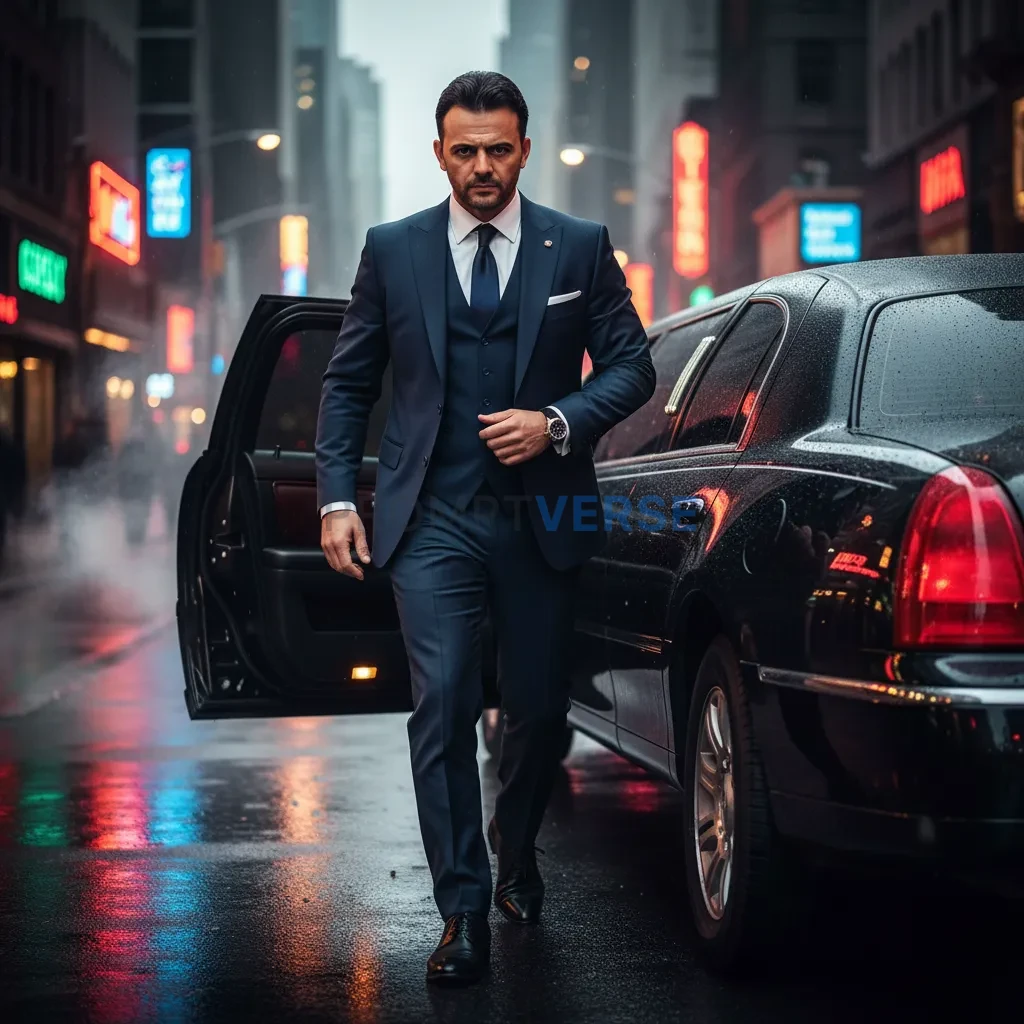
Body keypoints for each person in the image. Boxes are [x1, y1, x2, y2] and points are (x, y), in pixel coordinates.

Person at [316, 71, 655, 985]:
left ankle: (516, 840)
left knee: (539, 713)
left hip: (543, 514)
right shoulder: (393, 250)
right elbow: (347, 385)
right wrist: (337, 498)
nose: (481, 167)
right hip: (431, 519)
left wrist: (557, 422)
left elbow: (632, 368)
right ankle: (461, 911)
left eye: (498, 149)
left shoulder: (577, 246)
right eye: (464, 150)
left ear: (524, 150)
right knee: (445, 705)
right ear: (439, 153)